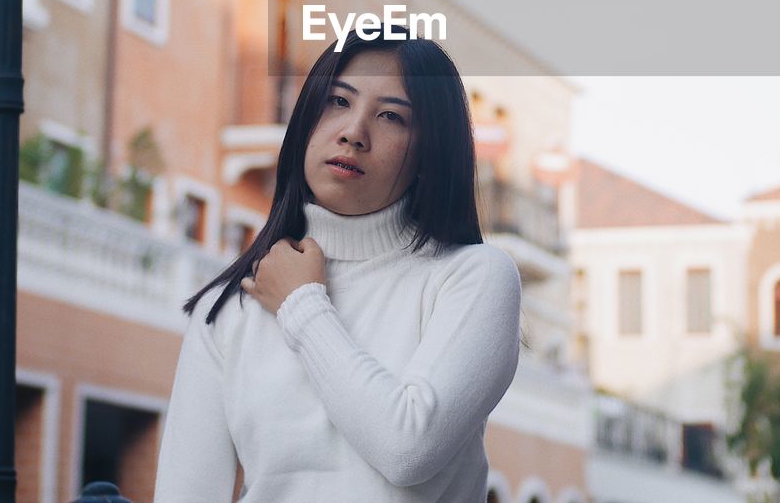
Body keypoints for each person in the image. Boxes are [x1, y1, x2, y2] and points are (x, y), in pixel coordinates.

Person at [152, 28, 523, 503]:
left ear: (430, 153)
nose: (353, 132)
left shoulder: (473, 278)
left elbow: (407, 450)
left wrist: (302, 306)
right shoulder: (227, 309)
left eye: (391, 116)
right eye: (337, 101)